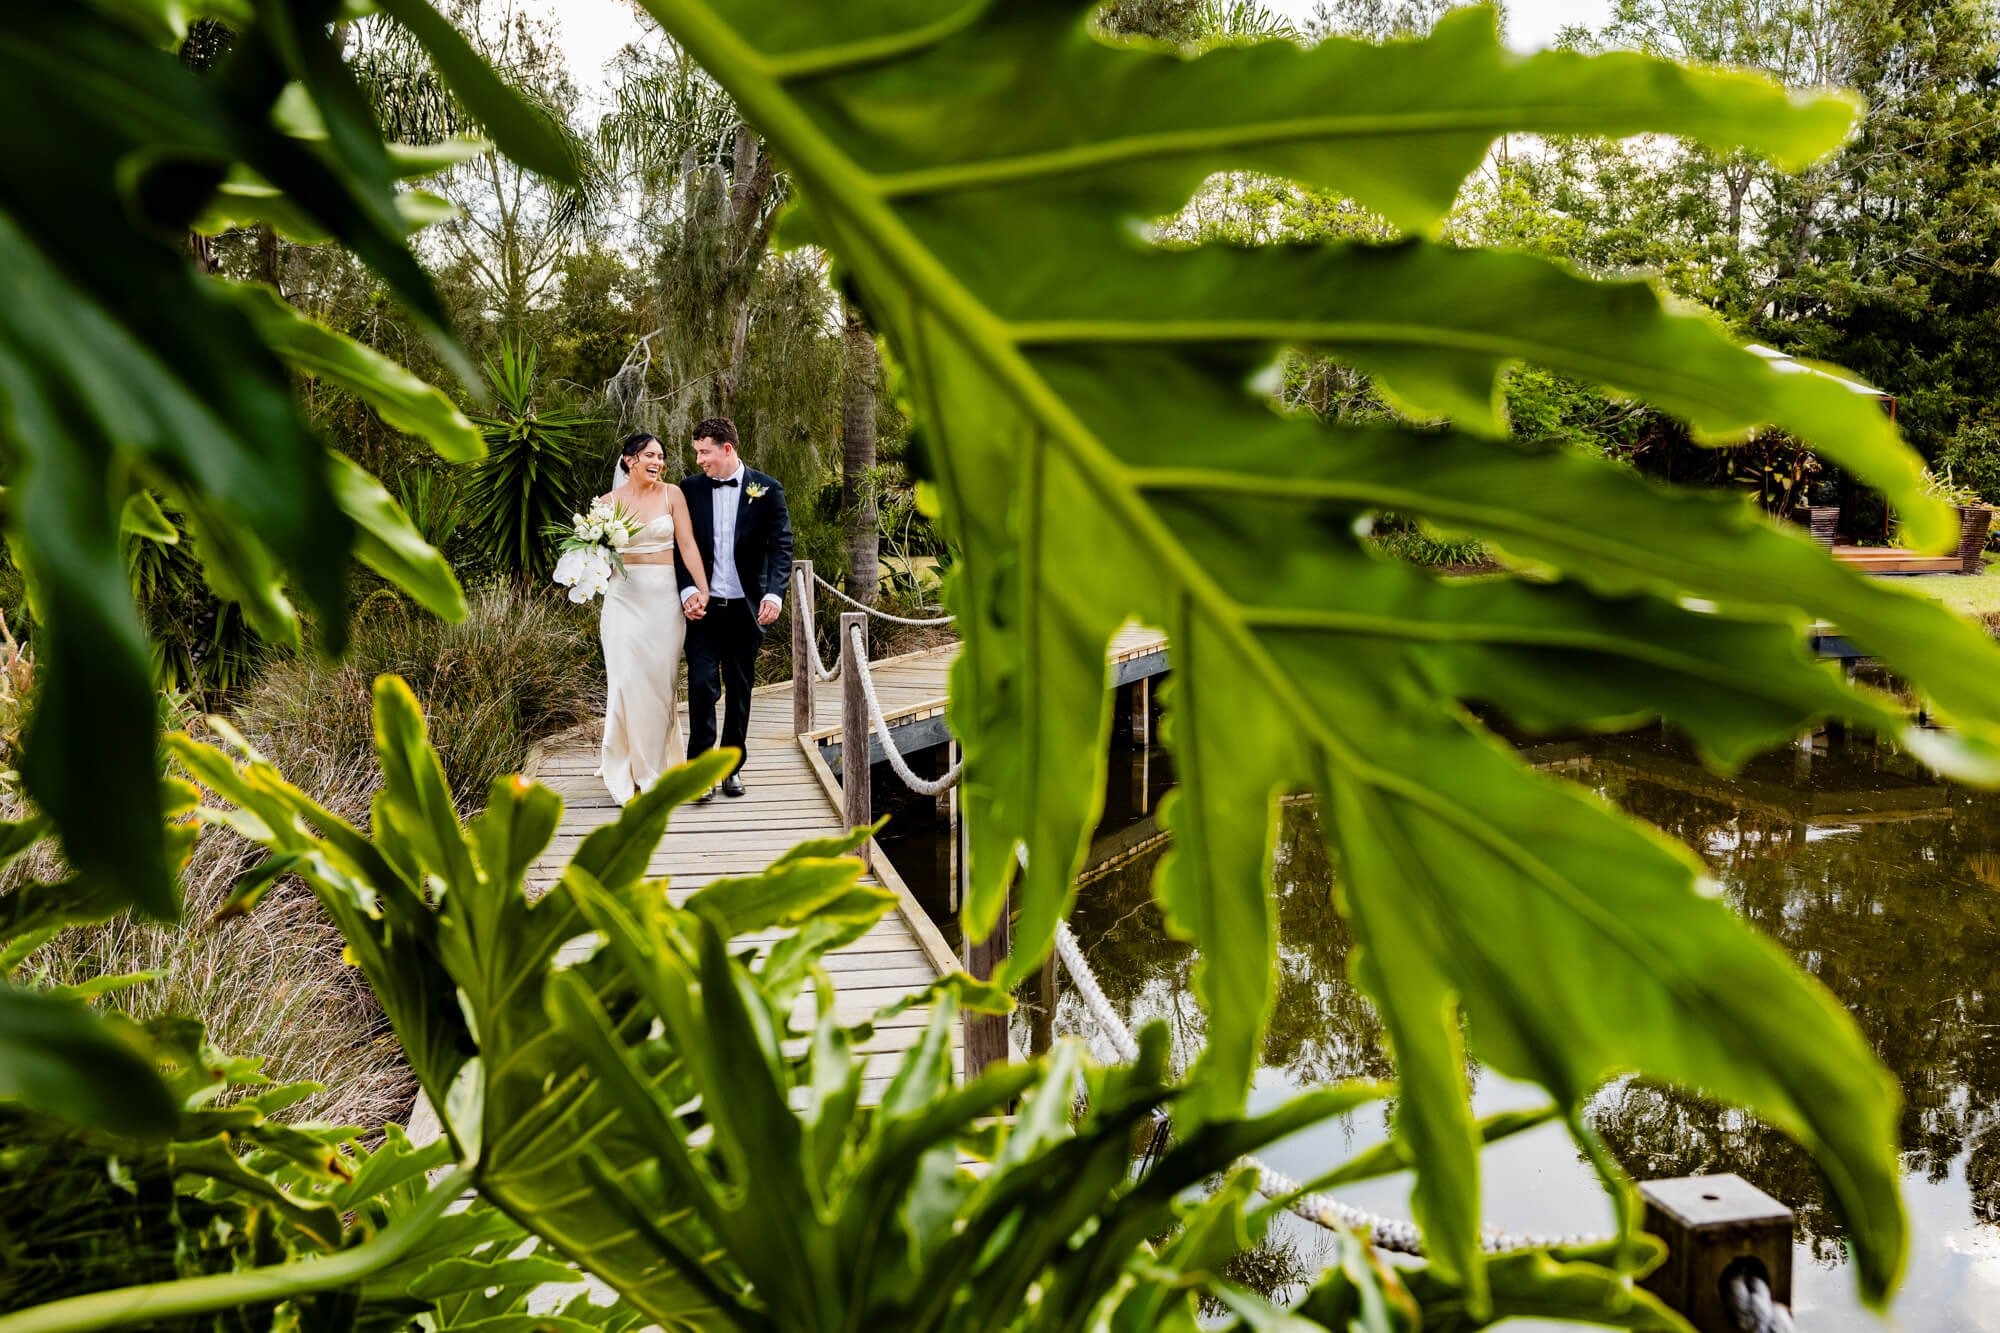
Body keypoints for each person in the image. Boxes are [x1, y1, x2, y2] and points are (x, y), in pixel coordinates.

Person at [674, 416, 793, 799]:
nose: (699, 461)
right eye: (696, 452)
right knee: (701, 685)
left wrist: (774, 594)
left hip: (746, 609)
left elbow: (781, 546)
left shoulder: (767, 489)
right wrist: (687, 591)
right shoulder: (688, 491)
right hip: (704, 611)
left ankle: (731, 769)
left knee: (740, 690)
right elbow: (679, 548)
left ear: (727, 449)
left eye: (704, 452)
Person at [597, 432, 709, 804]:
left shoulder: (671, 495)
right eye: (650, 455)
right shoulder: (606, 503)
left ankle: (659, 767)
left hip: (663, 600)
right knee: (627, 682)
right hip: (623, 599)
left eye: (661, 456)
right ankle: (626, 768)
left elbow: (687, 545)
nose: (657, 462)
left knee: (661, 685)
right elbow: (597, 559)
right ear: (629, 460)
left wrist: (701, 587)